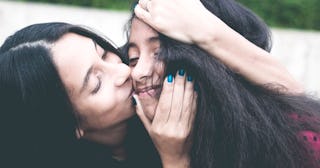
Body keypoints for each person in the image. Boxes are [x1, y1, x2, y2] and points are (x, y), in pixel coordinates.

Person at [125, 0, 320, 167]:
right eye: (133, 58)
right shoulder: (137, 142)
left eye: (159, 53)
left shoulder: (297, 144)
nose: (139, 72)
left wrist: (176, 161)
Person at [0, 22, 196, 168]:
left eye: (104, 55)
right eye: (97, 84)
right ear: (70, 126)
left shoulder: (144, 66)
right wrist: (176, 160)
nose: (124, 71)